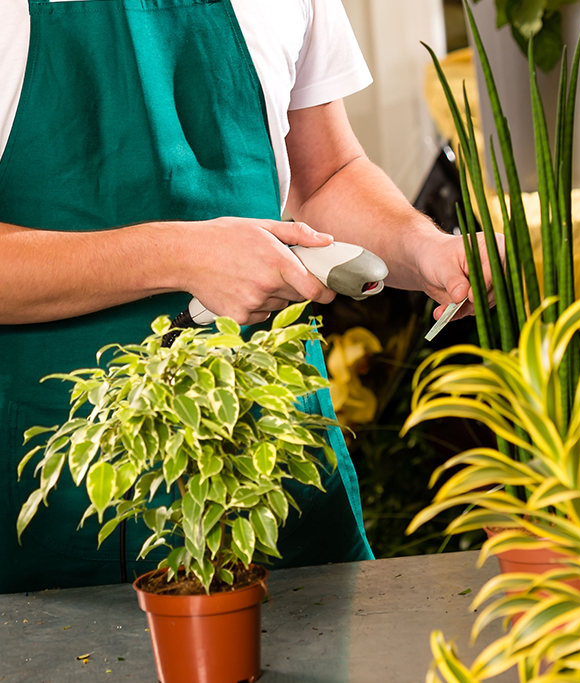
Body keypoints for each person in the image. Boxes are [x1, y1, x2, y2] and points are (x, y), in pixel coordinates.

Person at [0, 0, 500, 593]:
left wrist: (424, 248)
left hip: (275, 459)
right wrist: (179, 255)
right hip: (72, 474)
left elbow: (328, 174)